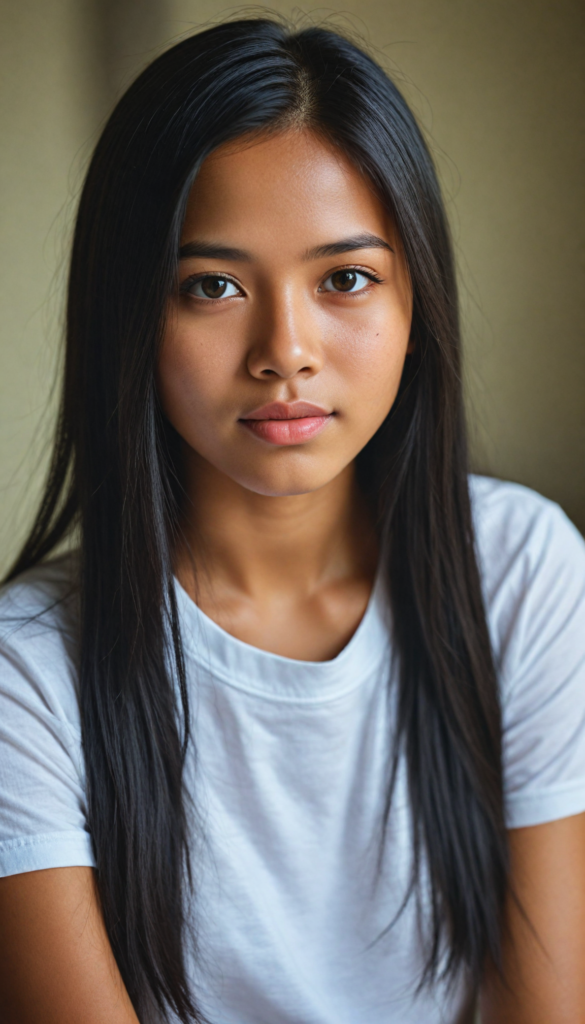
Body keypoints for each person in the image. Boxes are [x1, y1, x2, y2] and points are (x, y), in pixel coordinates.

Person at [0, 17, 584, 1024]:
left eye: (345, 278)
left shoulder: (521, 572)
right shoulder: (29, 671)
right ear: (128, 313)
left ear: (417, 303)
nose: (286, 349)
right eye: (212, 286)